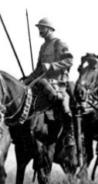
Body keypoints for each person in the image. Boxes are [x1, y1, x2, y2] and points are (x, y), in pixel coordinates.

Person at [27, 18, 75, 147]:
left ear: (48, 29)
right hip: (44, 83)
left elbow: (69, 60)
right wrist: (27, 79)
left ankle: (70, 134)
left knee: (63, 104)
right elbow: (38, 68)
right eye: (39, 29)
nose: (40, 32)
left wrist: (52, 66)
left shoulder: (59, 44)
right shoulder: (43, 47)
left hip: (59, 83)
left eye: (42, 29)